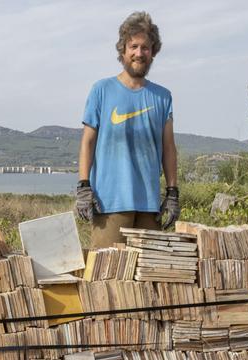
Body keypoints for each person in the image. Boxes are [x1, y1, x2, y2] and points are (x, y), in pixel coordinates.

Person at [75, 11, 179, 248]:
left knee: (150, 276)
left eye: (145, 47)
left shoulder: (163, 97)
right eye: (133, 46)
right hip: (109, 203)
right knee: (106, 275)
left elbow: (169, 148)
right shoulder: (101, 90)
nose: (139, 53)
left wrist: (172, 193)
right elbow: (87, 142)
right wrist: (83, 186)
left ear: (153, 52)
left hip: (149, 205)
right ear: (123, 50)